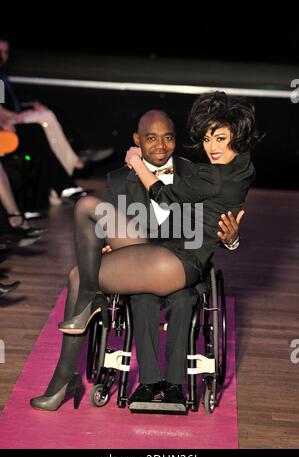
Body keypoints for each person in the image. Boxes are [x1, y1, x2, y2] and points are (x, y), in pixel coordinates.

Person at [30, 91, 259, 411]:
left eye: (221, 138)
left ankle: (64, 376)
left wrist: (136, 162)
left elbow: (163, 195)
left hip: (178, 261)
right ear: (138, 137)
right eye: (208, 139)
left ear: (239, 135)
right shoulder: (239, 166)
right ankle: (89, 303)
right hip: (154, 248)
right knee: (87, 206)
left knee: (79, 276)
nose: (212, 147)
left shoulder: (209, 175)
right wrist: (104, 243)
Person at [0, 39, 114, 176]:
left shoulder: (2, 76)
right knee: (46, 118)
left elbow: (6, 101)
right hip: (7, 123)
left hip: (12, 117)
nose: (2, 56)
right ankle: (73, 163)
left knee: (50, 111)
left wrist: (29, 105)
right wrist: (16, 116)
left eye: (5, 52)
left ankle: (77, 155)